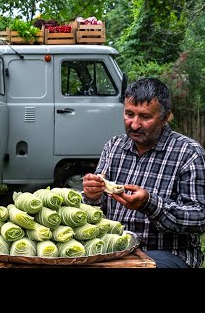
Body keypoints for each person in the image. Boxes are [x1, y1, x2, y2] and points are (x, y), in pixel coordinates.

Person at [82, 77, 205, 268]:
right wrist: (92, 196)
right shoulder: (114, 147)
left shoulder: (189, 154)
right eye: (129, 114)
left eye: (145, 117)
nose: (135, 124)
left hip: (168, 252)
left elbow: (199, 217)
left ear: (165, 117)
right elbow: (97, 209)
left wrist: (150, 204)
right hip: (115, 248)